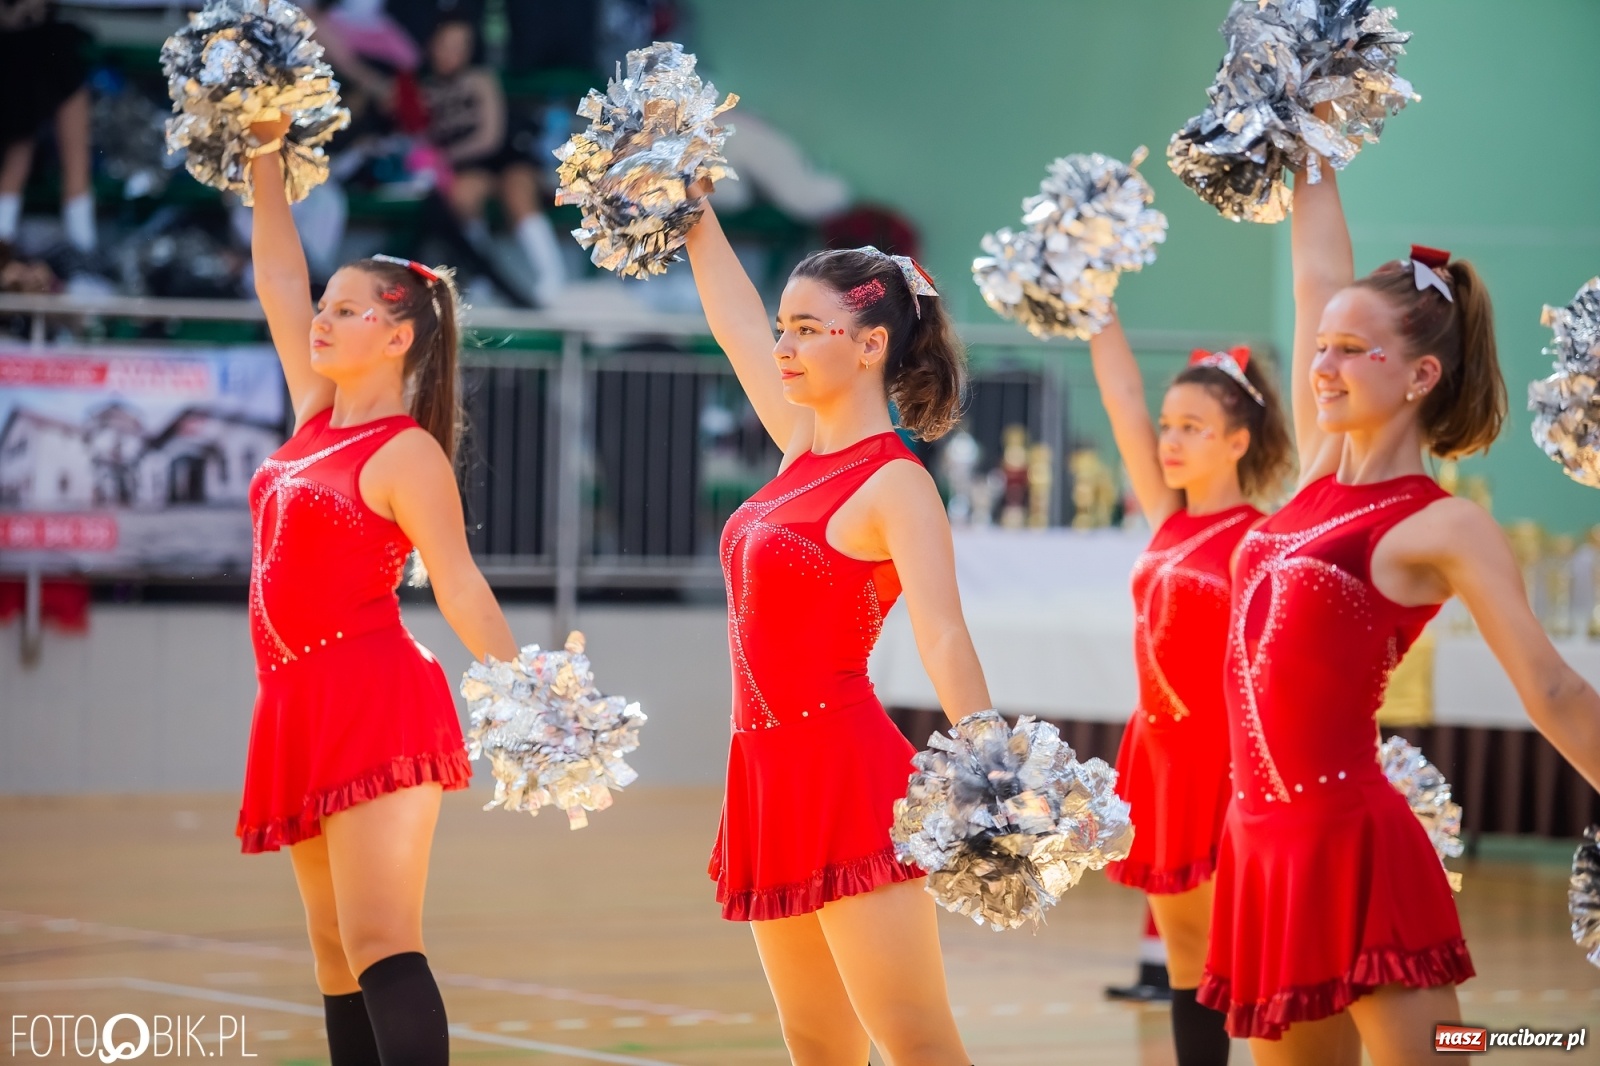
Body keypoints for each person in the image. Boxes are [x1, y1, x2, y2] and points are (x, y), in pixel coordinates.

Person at [1199, 161, 1600, 1066]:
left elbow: (1552, 686)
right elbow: (1313, 271)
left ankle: (1559, 1045)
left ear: (1421, 373)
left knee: (1446, 1052)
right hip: (1260, 851)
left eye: (1352, 349)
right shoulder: (1311, 478)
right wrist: (1303, 125)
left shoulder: (1442, 523)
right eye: (1322, 345)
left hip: (1355, 850)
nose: (1324, 365)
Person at [237, 114, 522, 1066]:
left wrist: (528, 694)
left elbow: (460, 586)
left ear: (398, 334)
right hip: (295, 703)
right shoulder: (316, 418)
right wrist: (264, 157)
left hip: (374, 700)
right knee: (331, 955)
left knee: (379, 943)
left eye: (347, 309)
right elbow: (277, 276)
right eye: (326, 303)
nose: (320, 316)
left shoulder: (404, 451)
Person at [685, 186, 987, 1066]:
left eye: (808, 329)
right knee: (816, 1045)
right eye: (786, 325)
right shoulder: (797, 452)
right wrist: (693, 208)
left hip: (851, 781)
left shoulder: (896, 483)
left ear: (869, 345)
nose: (783, 343)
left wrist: (989, 766)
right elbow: (735, 324)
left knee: (916, 1041)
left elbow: (943, 635)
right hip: (765, 778)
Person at [1087, 308, 1292, 1066]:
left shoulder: (1262, 537)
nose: (1168, 439)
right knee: (1183, 956)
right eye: (1168, 424)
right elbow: (1120, 395)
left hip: (1224, 760)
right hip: (1159, 756)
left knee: (1239, 956)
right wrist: (1096, 298)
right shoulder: (1167, 516)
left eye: (1192, 428)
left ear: (1238, 442)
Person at [421, 18, 566, 306]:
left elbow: (490, 137)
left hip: (508, 156)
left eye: (460, 47)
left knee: (516, 192)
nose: (452, 54)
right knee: (462, 194)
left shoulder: (481, 80)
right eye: (446, 46)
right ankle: (481, 277)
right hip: (469, 170)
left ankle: (552, 275)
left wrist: (440, 158)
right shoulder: (423, 91)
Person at [0, 0, 95, 255]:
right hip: (13, 50)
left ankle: (83, 247)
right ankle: (3, 242)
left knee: (74, 158)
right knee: (18, 149)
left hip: (40, 41)